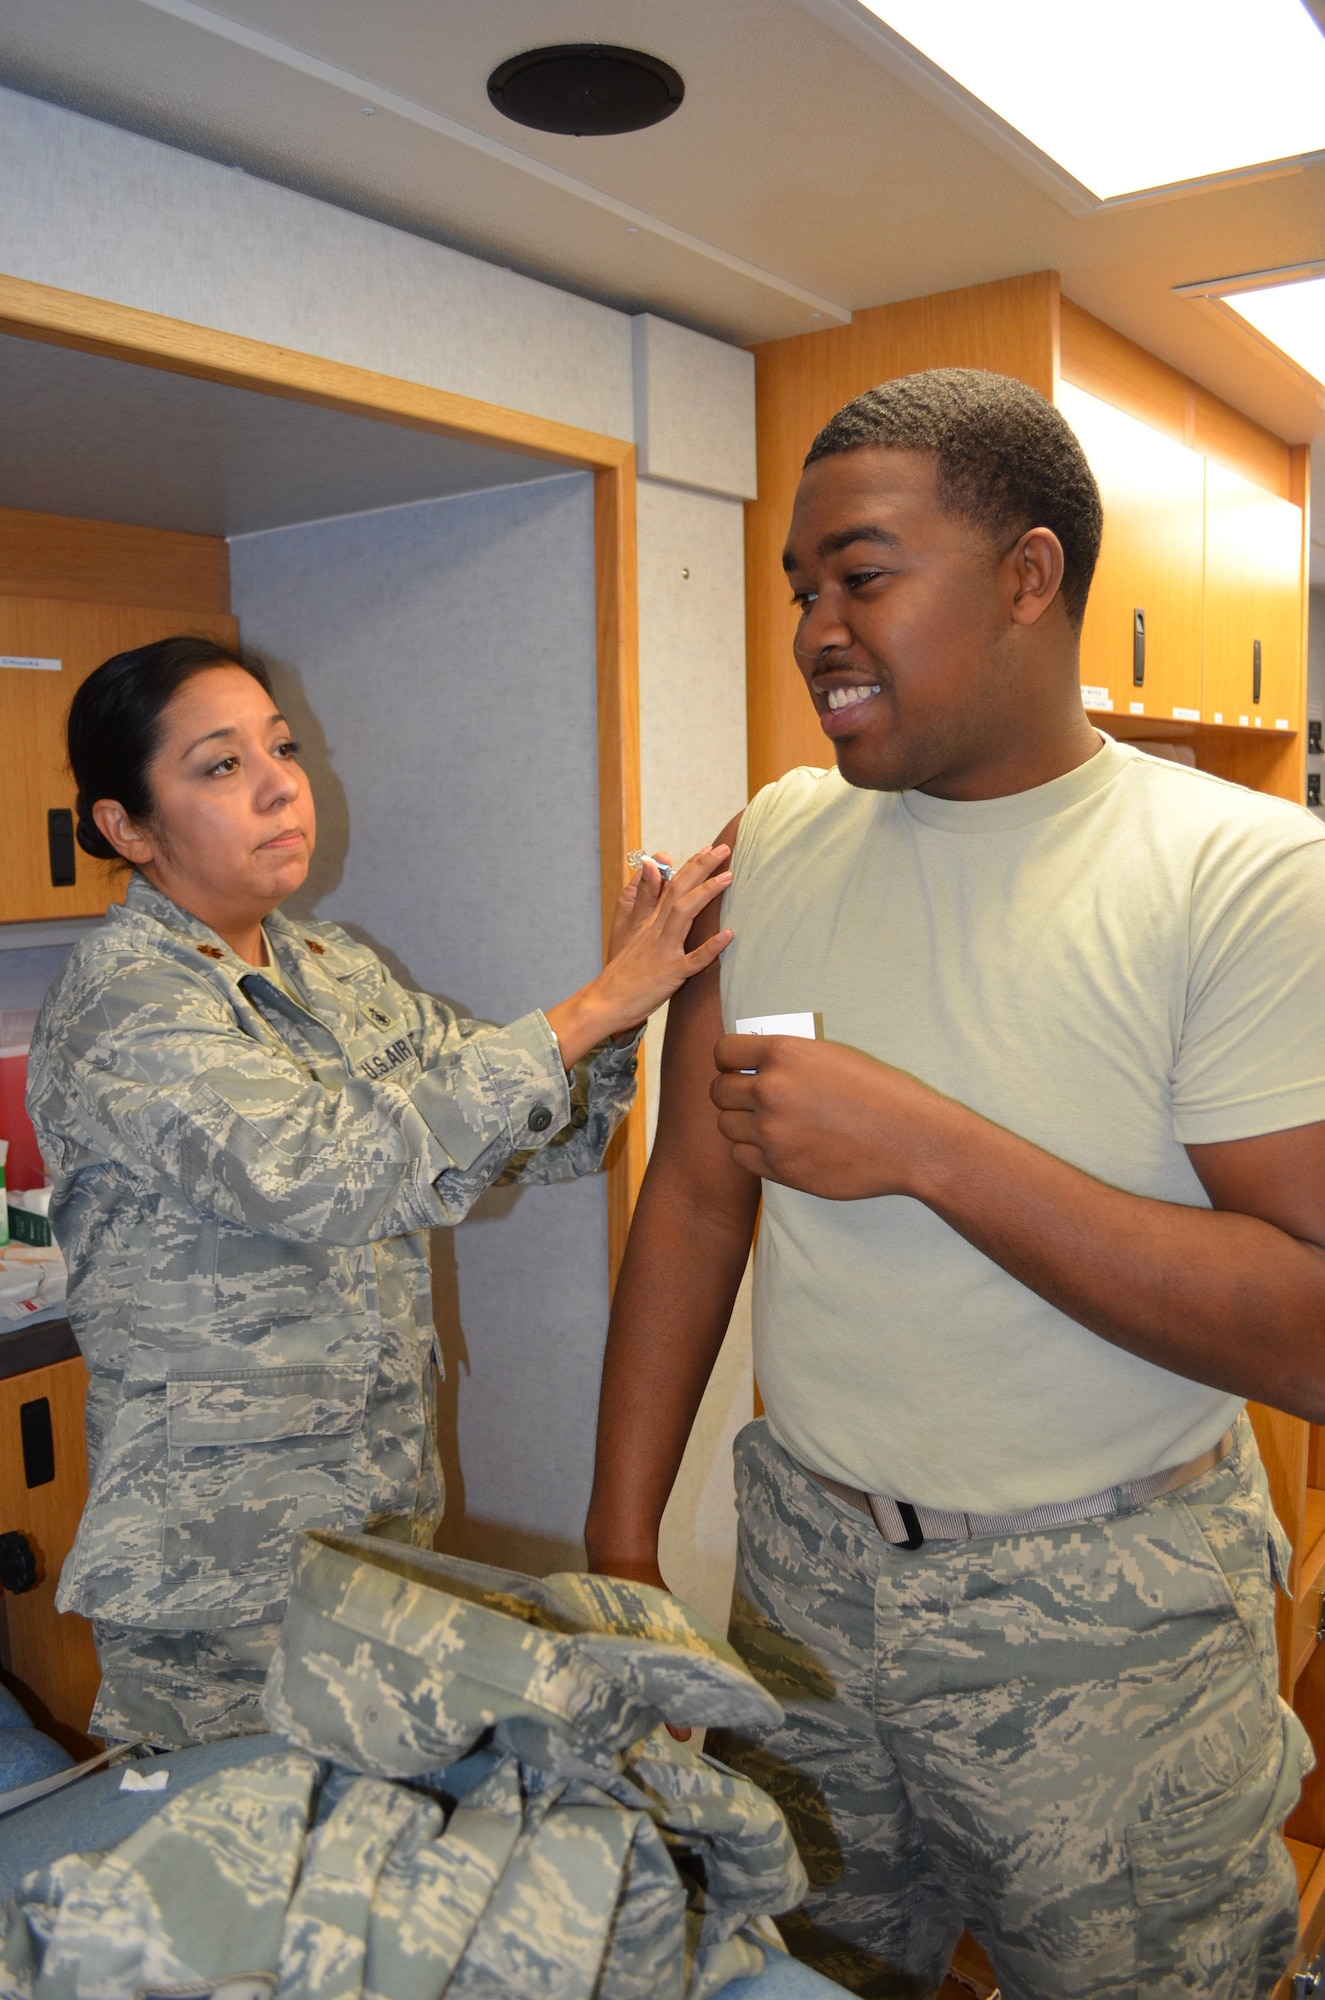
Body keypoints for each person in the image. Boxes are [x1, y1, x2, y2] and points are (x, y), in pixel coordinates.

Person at [585, 369, 1325, 1999]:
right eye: (800, 590)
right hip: (804, 1596)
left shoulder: (1239, 876)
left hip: (1106, 1633)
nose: (814, 629)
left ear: (1027, 575)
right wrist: (623, 1544)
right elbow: (703, 1196)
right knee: (802, 1973)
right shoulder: (778, 837)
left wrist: (926, 1147)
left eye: (861, 575)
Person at [27, 635, 733, 1748]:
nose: (278, 783)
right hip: (223, 1581)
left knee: (370, 1878)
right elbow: (329, 1170)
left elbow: (535, 1144)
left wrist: (625, 1002)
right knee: (248, 1887)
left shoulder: (333, 968)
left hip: (380, 1534)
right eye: (218, 766)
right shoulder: (125, 1001)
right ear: (125, 826)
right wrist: (592, 1006)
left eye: (281, 746)